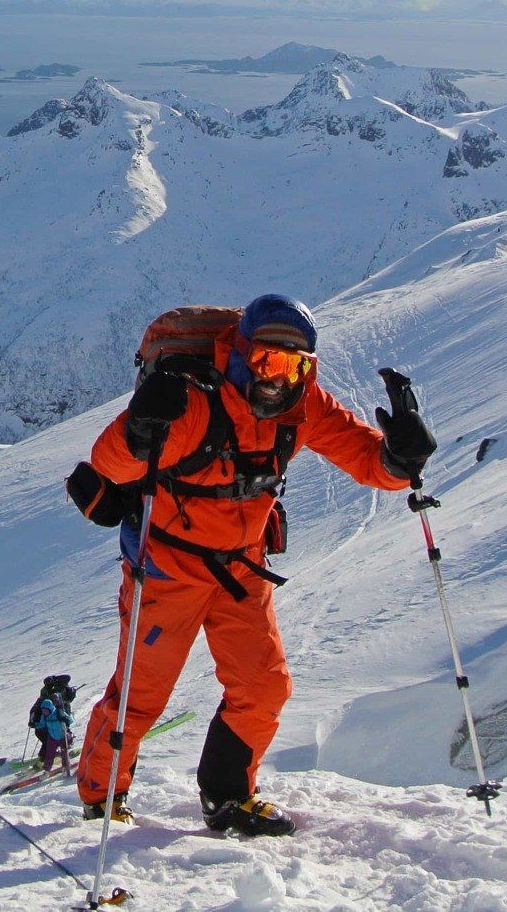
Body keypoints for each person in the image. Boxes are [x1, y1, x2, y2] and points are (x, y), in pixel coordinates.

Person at [65, 295, 435, 837]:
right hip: (168, 570)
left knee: (263, 687)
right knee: (139, 697)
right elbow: (111, 464)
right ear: (239, 353)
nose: (277, 379)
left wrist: (400, 460)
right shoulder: (192, 402)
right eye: (266, 360)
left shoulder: (304, 408)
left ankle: (229, 797)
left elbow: (366, 460)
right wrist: (140, 426)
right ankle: (102, 800)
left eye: (294, 366)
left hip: (242, 570)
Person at [34, 692, 73, 773]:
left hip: (62, 736)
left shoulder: (59, 713)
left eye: (45, 710)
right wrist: (35, 724)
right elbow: (41, 724)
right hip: (52, 737)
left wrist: (66, 720)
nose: (44, 712)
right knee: (49, 754)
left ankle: (65, 767)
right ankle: (47, 770)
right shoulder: (44, 716)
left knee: (64, 753)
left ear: (50, 708)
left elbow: (70, 720)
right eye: (43, 710)